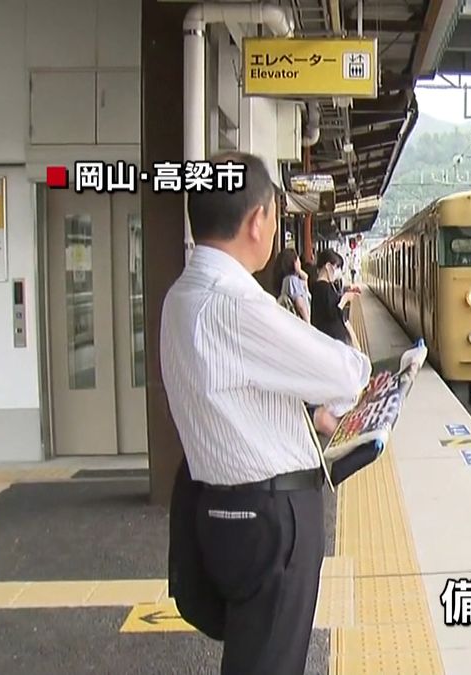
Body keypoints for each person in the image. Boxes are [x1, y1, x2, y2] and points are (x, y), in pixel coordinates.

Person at [160, 150, 370, 675]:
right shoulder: (232, 300)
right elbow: (347, 372)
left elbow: (235, 389)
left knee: (255, 658)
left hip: (223, 510)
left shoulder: (181, 295)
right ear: (259, 221)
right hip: (269, 517)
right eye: (276, 218)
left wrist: (309, 412)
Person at [310, 249, 360, 346]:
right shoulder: (322, 288)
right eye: (337, 267)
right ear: (328, 267)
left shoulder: (323, 287)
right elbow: (333, 314)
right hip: (331, 343)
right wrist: (345, 298)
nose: (339, 272)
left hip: (331, 342)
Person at [274, 247, 311, 321]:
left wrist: (304, 277)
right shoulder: (291, 280)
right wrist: (308, 323)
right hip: (299, 322)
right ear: (294, 262)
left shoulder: (285, 279)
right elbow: (300, 305)